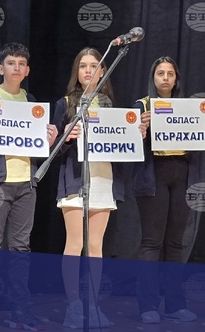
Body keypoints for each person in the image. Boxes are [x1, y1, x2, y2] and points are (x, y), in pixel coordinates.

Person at [0, 43, 57, 331]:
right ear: (0, 68)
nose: (16, 67)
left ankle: (19, 310)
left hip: (26, 185)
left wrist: (48, 141)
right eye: (10, 63)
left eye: (21, 64)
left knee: (20, 250)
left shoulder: (32, 101)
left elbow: (36, 145)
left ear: (27, 70)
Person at [134, 56, 205, 324]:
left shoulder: (188, 107)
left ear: (176, 79)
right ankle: (147, 305)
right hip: (153, 174)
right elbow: (128, 142)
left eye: (170, 73)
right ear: (153, 77)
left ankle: (175, 304)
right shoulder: (142, 105)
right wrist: (139, 129)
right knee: (152, 242)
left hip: (182, 173)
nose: (166, 78)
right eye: (160, 73)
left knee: (175, 242)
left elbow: (200, 139)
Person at [52, 47, 126, 329]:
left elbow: (123, 145)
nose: (87, 70)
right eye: (82, 65)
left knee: (95, 246)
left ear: (102, 71)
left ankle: (93, 305)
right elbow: (54, 150)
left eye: (93, 65)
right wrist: (65, 137)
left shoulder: (111, 106)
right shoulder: (65, 104)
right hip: (75, 179)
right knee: (75, 244)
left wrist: (135, 134)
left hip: (104, 178)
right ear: (76, 71)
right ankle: (73, 306)